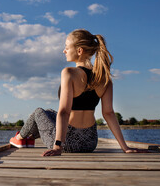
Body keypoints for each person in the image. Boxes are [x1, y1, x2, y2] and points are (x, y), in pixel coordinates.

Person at [9, 29, 146, 156]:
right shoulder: (104, 79)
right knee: (51, 113)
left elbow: (64, 112)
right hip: (90, 143)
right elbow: (109, 113)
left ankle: (19, 138)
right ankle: (30, 137)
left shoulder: (69, 73)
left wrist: (58, 147)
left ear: (79, 50)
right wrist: (125, 147)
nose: (64, 51)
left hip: (67, 143)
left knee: (39, 112)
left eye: (67, 47)